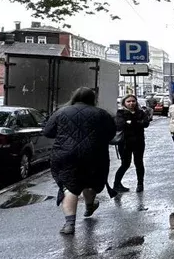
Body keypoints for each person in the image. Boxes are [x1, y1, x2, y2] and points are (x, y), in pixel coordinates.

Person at [42, 87, 117, 235]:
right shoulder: (102, 114)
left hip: (65, 154)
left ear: (74, 97)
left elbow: (48, 132)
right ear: (93, 99)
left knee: (69, 186)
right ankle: (89, 205)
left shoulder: (61, 112)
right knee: (90, 181)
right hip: (94, 153)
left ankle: (70, 224)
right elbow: (111, 133)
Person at [112, 94, 151, 193]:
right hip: (125, 143)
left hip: (139, 141)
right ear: (124, 102)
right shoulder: (120, 113)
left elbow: (145, 123)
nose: (131, 103)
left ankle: (140, 184)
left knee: (139, 162)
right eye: (128, 101)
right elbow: (120, 125)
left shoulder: (141, 112)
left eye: (133, 101)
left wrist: (131, 122)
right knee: (125, 164)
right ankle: (117, 184)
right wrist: (136, 123)